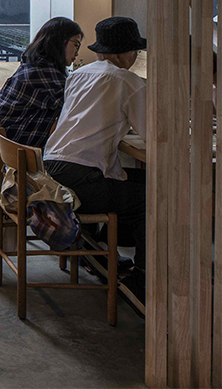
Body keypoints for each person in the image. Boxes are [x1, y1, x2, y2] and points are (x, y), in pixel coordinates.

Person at [43, 16, 147, 304]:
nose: (136, 56)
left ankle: (98, 252)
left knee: (142, 182)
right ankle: (142, 280)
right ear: (124, 53)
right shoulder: (129, 81)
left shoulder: (78, 75)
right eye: (135, 51)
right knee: (151, 200)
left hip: (51, 170)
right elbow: (154, 134)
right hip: (82, 180)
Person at [0, 16, 84, 149]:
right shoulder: (44, 75)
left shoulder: (32, 66)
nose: (77, 53)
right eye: (76, 44)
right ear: (60, 42)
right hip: (10, 153)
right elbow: (75, 110)